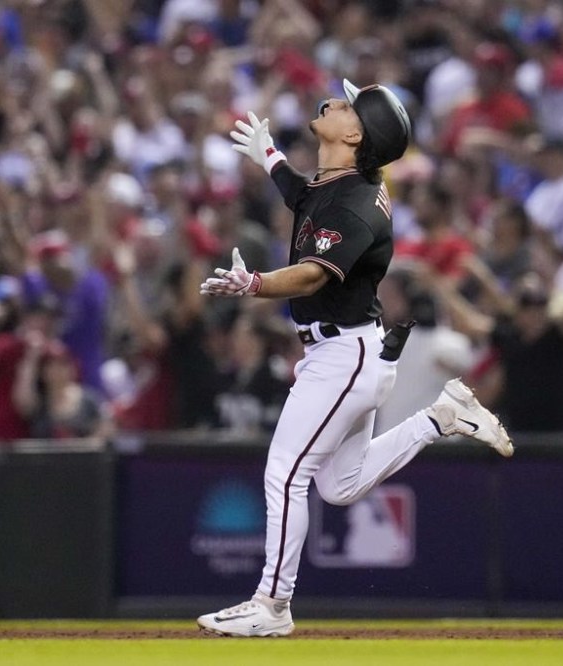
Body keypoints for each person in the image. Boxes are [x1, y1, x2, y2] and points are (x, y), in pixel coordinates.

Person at [195, 80, 513, 638]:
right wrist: (270, 157)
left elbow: (315, 272)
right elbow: (304, 198)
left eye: (347, 106)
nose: (335, 102)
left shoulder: (359, 203)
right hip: (347, 349)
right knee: (338, 485)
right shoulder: (342, 183)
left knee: (285, 471)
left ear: (353, 134)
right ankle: (441, 417)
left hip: (345, 353)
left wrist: (256, 283)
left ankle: (272, 603)